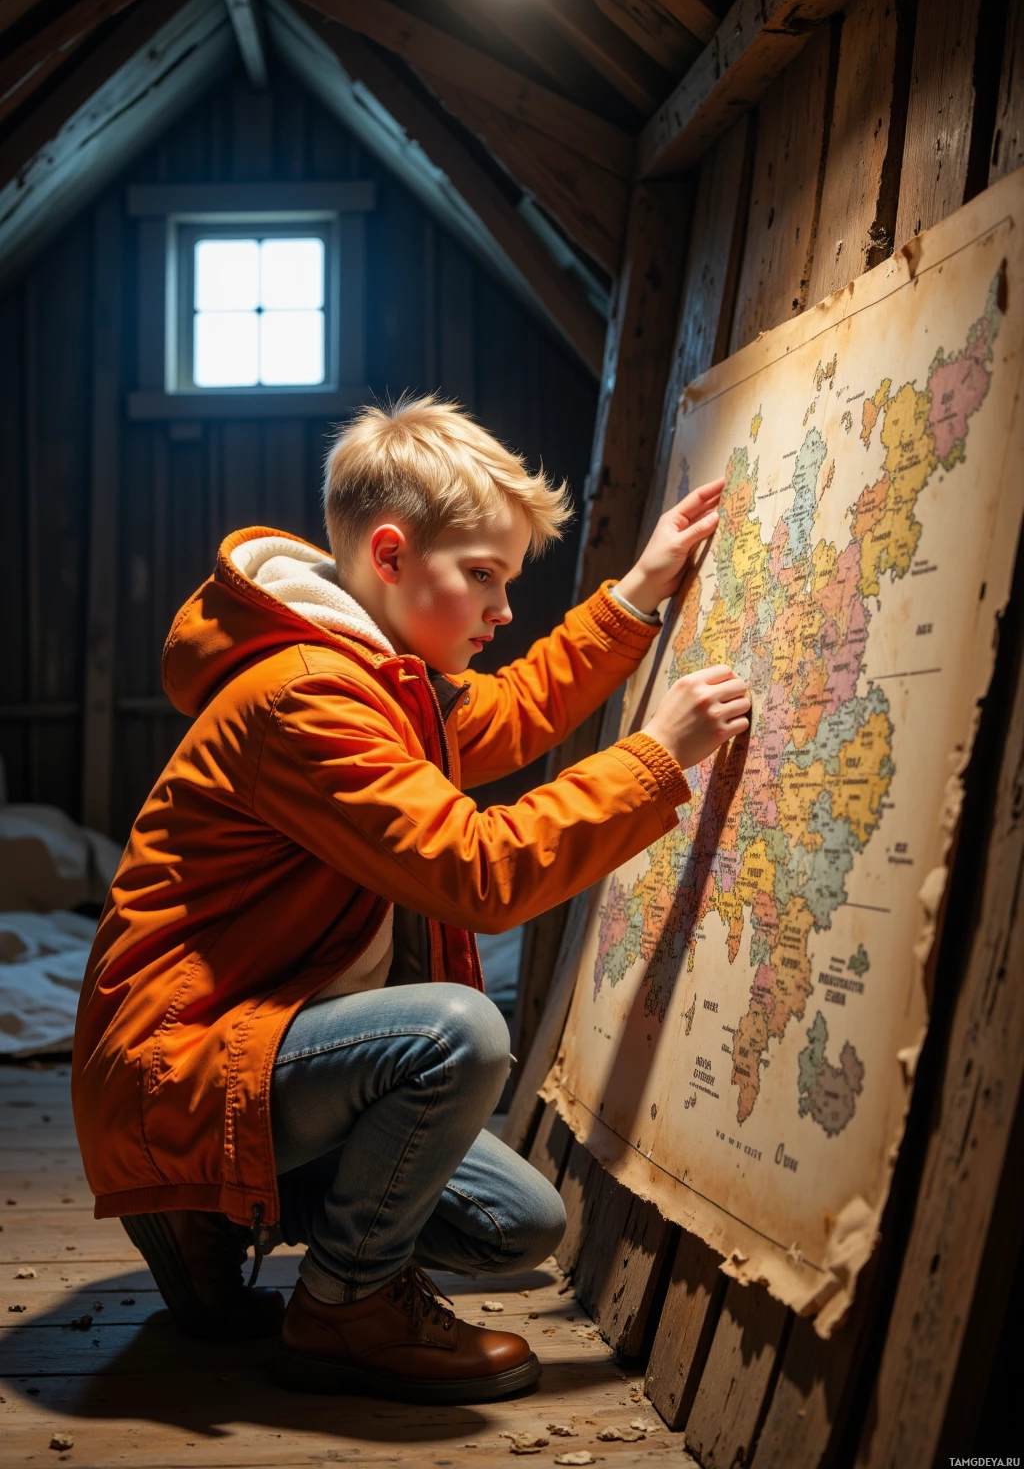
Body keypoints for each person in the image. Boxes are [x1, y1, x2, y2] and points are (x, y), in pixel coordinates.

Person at [71, 397, 749, 1405]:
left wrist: (639, 595)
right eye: (483, 575)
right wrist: (655, 759)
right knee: (454, 1034)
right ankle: (344, 1309)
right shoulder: (309, 698)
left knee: (515, 1226)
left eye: (508, 581)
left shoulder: (381, 680)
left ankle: (208, 1204)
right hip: (181, 1063)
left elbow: (515, 712)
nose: (502, 608)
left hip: (252, 1047)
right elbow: (481, 874)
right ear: (389, 556)